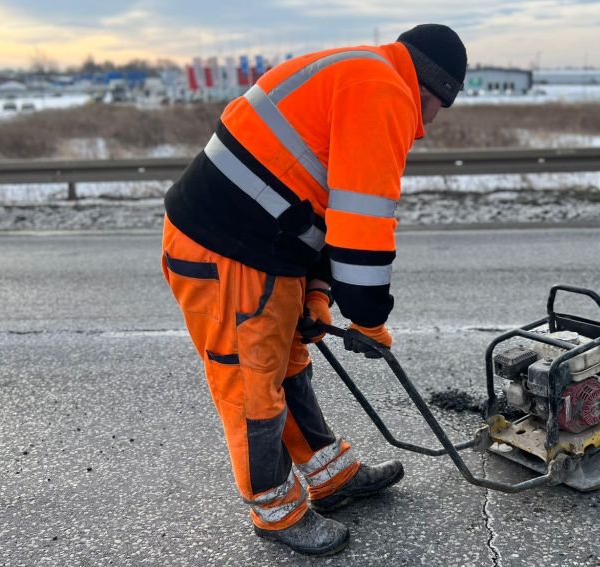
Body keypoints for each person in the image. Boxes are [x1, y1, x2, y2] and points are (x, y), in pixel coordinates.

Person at [160, 24, 467, 556]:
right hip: (226, 249)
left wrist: (318, 292)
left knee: (286, 362)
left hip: (261, 243)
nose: (430, 126)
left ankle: (329, 476)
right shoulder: (384, 92)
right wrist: (368, 318)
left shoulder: (362, 70)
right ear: (432, 88)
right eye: (441, 107)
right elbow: (362, 224)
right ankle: (276, 511)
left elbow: (325, 202)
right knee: (252, 383)